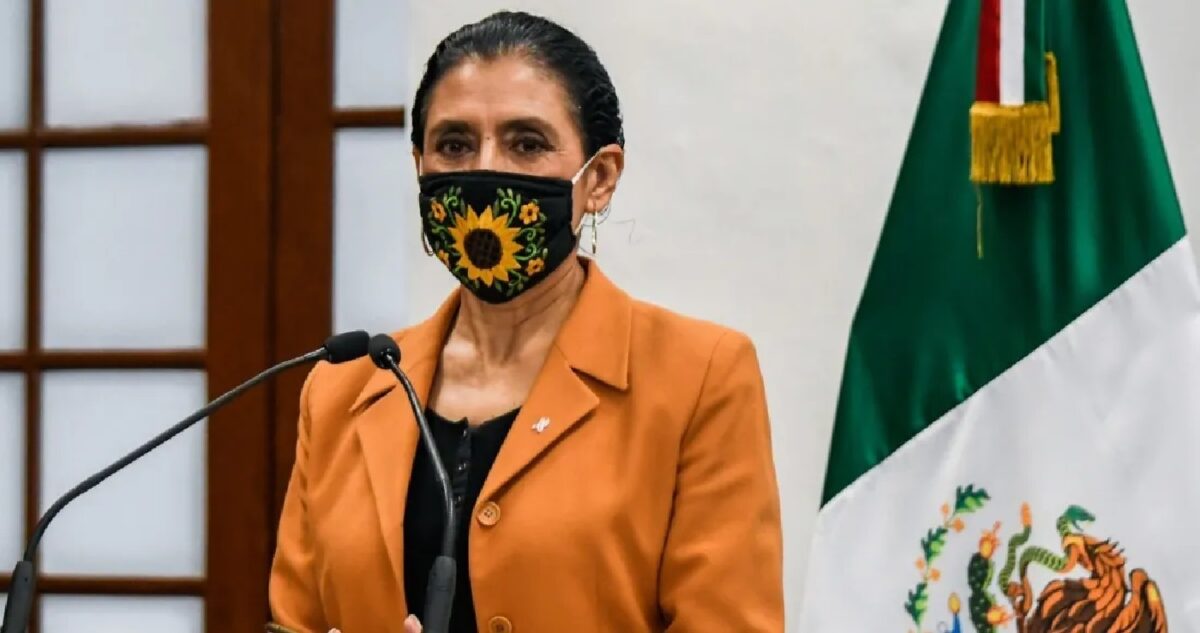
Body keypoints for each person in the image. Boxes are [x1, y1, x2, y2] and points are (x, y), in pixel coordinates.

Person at [268, 10, 784, 633]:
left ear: (599, 178)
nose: (484, 172)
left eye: (527, 143)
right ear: (420, 167)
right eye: (454, 145)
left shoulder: (699, 379)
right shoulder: (342, 391)